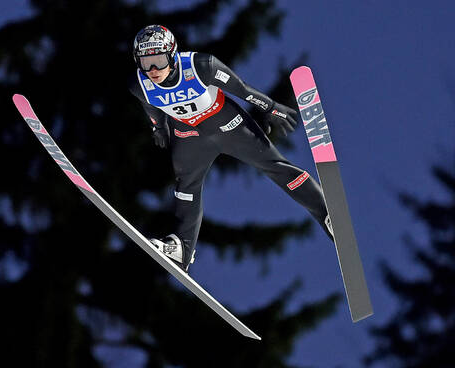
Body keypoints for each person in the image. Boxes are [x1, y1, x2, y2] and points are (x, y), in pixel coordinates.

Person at [128, 24, 333, 272]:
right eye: (145, 61)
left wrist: (270, 108)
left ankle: (326, 214)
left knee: (274, 166)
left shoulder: (201, 66)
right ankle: (182, 247)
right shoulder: (139, 83)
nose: (152, 70)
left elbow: (242, 89)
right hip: (190, 136)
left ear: (172, 54)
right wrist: (158, 127)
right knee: (186, 188)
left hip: (228, 125)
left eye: (159, 60)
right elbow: (149, 105)